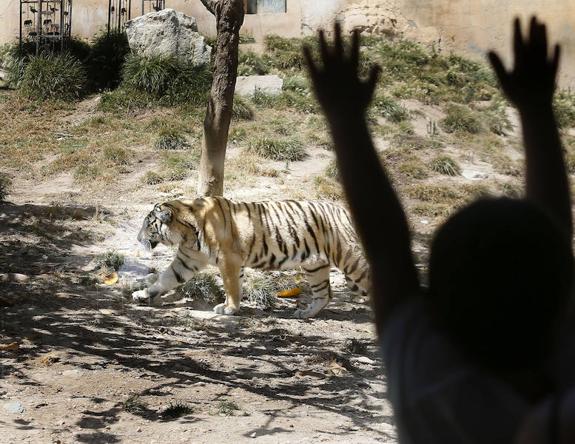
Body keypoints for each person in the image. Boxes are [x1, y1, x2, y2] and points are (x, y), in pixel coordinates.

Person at [304, 17, 574, 443]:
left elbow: (387, 249)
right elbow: (552, 235)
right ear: (562, 296)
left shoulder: (430, 386)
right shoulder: (563, 370)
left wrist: (344, 118)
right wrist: (537, 108)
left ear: (435, 304)